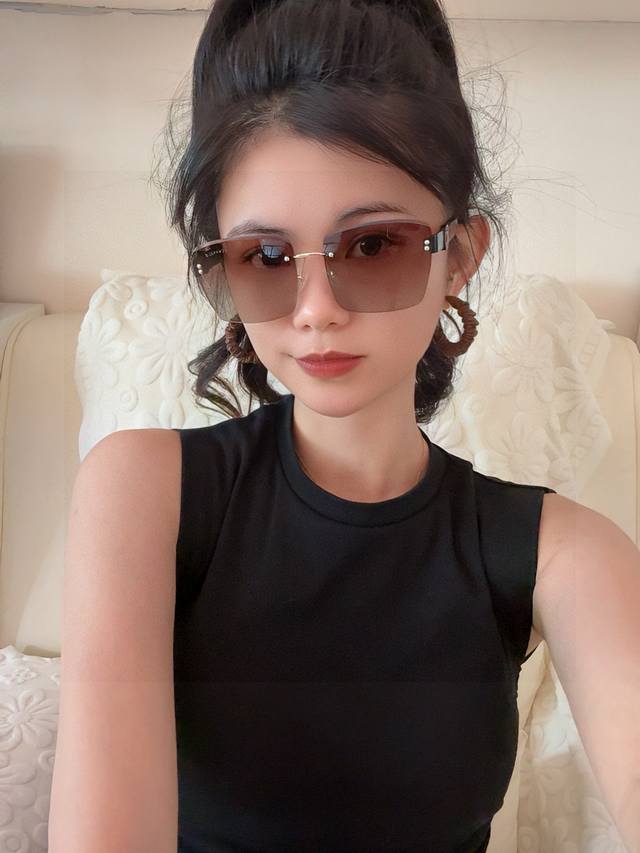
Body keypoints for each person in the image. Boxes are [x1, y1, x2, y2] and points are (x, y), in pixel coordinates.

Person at [155, 1, 637, 852]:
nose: (315, 310)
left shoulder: (563, 550)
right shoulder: (147, 491)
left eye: (374, 246)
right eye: (266, 258)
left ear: (461, 256)